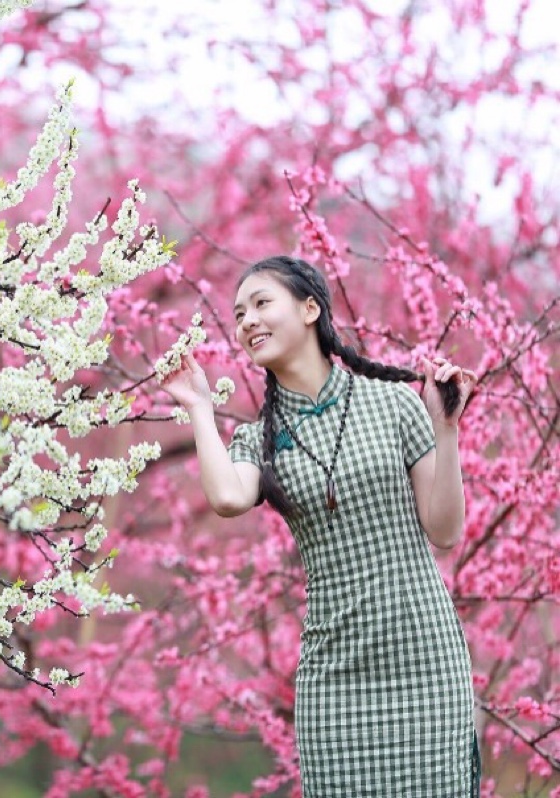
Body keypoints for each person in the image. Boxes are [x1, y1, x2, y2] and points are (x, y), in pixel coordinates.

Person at [159, 256, 480, 797]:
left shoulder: (395, 404)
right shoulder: (259, 438)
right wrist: (198, 407)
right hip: (335, 676)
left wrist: (445, 430)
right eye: (239, 315)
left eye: (262, 304)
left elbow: (445, 530)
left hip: (425, 660)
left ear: (311, 309)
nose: (248, 322)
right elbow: (227, 497)